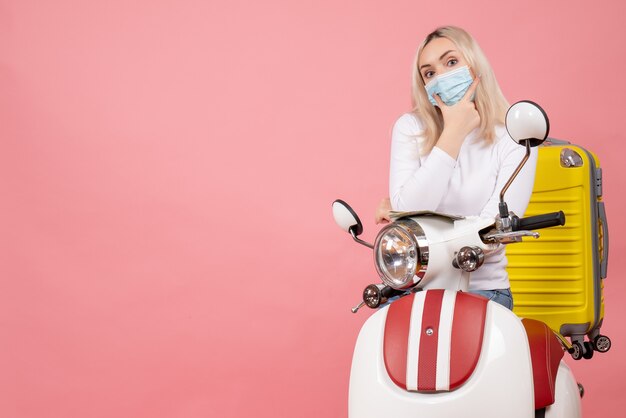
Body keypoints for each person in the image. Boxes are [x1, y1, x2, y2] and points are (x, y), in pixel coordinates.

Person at [374, 26, 537, 310]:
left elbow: (492, 233)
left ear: (475, 65)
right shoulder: (411, 128)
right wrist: (453, 133)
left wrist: (414, 224)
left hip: (484, 291)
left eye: (451, 62)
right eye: (429, 73)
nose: (441, 77)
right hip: (415, 289)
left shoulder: (515, 135)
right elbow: (409, 210)